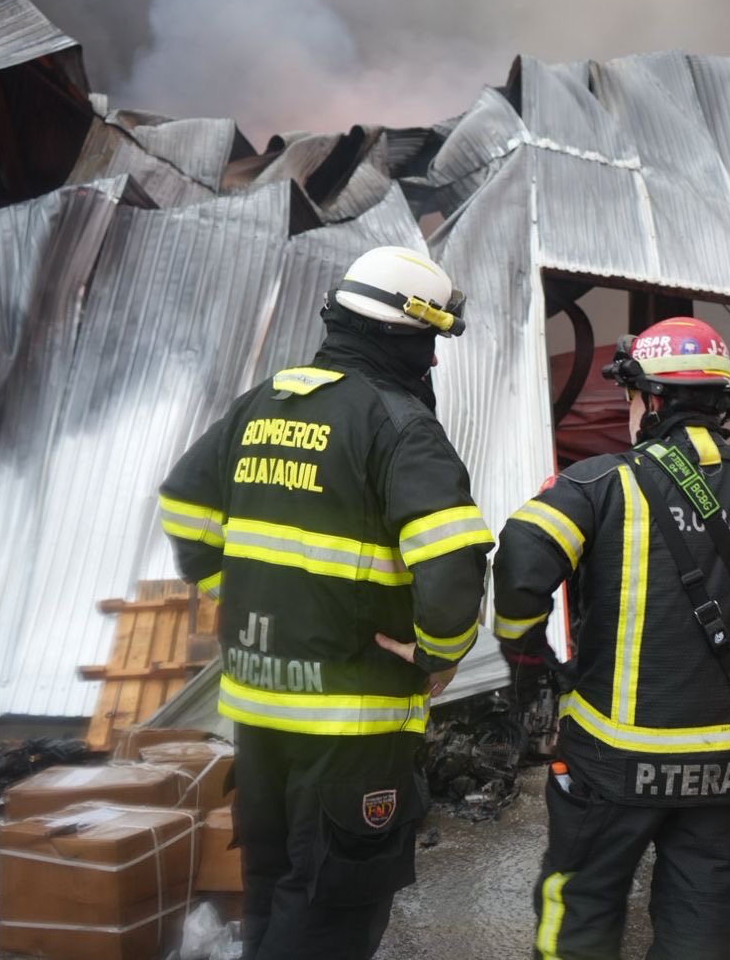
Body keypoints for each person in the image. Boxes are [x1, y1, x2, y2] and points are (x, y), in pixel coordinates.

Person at [158, 246, 492, 959]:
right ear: (401, 335)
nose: (433, 363)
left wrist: (237, 594)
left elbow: (185, 506)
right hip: (352, 728)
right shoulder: (399, 426)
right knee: (330, 915)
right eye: (428, 343)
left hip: (259, 709)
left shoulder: (263, 403)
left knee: (276, 887)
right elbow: (452, 568)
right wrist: (438, 654)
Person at [492, 317, 730, 960]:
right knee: (699, 917)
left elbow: (523, 558)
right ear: (722, 401)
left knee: (580, 908)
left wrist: (530, 656)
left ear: (650, 398)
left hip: (613, 761)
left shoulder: (598, 483)